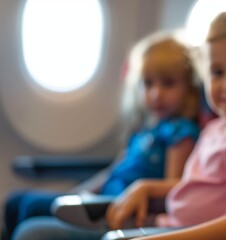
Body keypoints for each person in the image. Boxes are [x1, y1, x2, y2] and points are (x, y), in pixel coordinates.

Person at [11, 6, 226, 240]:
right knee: (27, 219)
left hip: (179, 232)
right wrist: (147, 188)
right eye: (217, 72)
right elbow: (192, 189)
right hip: (163, 223)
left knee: (34, 232)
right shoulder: (215, 129)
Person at [6, 33, 201, 240]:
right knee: (15, 202)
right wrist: (76, 194)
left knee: (31, 210)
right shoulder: (145, 131)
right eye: (148, 83)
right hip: (99, 199)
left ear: (189, 88)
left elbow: (173, 192)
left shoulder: (180, 132)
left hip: (117, 210)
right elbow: (112, 172)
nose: (156, 94)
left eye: (168, 84)